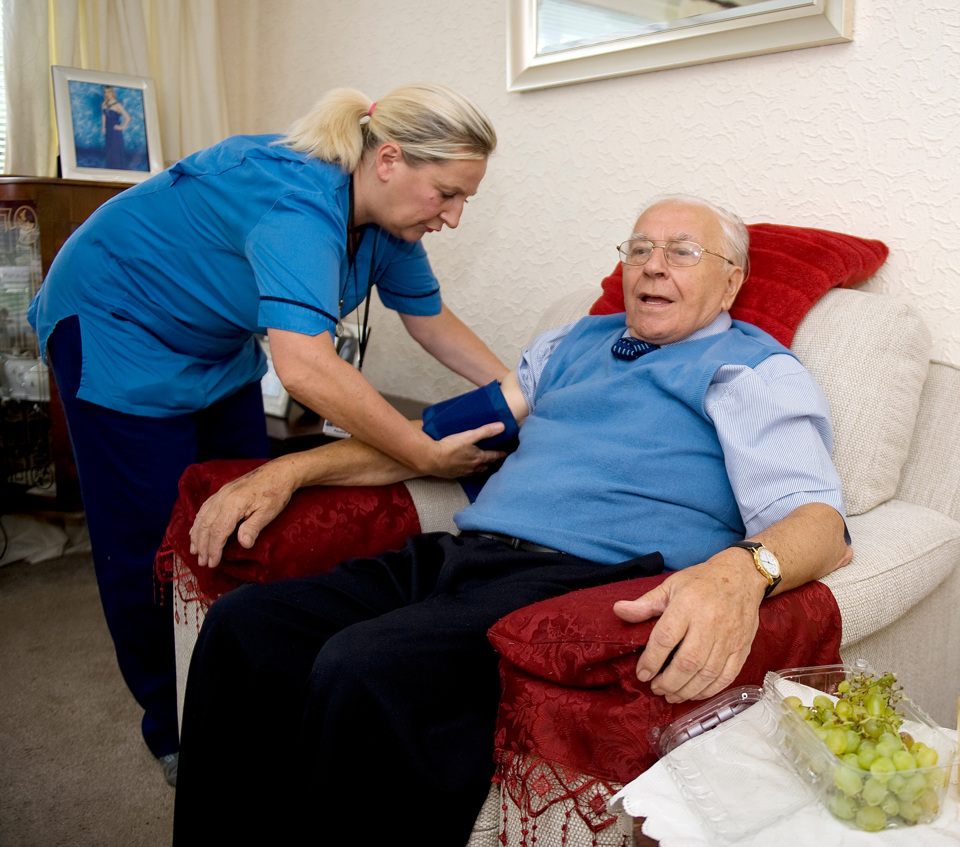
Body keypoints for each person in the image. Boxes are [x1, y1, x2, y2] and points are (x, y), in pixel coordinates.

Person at [173, 195, 852, 845]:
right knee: (247, 628)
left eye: (681, 251)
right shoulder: (571, 344)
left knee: (362, 667)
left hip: (572, 584)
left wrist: (742, 571)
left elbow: (821, 523)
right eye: (640, 247)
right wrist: (290, 470)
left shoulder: (749, 369)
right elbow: (436, 436)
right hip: (461, 556)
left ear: (731, 280)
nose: (652, 264)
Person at [27, 83, 509, 786]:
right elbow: (308, 367)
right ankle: (172, 724)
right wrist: (419, 451)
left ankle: (234, 678)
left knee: (247, 517)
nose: (456, 216)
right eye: (447, 193)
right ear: (390, 161)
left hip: (215, 342)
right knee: (150, 541)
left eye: (467, 198)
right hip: (115, 318)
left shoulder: (388, 224)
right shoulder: (297, 202)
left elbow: (431, 322)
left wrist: (520, 394)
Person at [101, 86, 131, 169]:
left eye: (109, 92)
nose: (107, 94)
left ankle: (118, 167)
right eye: (105, 92)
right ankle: (111, 167)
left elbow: (128, 117)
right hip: (108, 129)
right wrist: (103, 127)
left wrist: (122, 127)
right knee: (109, 148)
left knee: (116, 148)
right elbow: (104, 116)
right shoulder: (104, 104)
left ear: (112, 93)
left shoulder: (118, 105)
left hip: (115, 130)